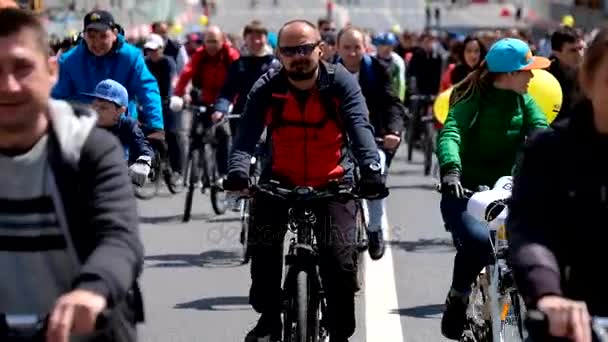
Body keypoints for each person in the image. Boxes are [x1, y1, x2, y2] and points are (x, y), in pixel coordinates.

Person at [223, 19, 387, 342]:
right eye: (289, 50)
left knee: (340, 266)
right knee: (263, 250)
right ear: (279, 55)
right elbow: (245, 135)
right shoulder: (268, 86)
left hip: (333, 183)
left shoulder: (340, 82)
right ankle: (270, 319)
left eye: (305, 48)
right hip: (279, 181)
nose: (298, 56)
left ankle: (340, 333)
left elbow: (359, 127)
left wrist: (370, 169)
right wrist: (238, 171)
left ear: (320, 49)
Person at [0, 8, 144, 342]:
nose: (7, 85)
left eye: (22, 68)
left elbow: (120, 237)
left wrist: (93, 290)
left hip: (81, 329)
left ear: (52, 71)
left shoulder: (90, 148)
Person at [436, 37, 551, 340]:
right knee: (477, 242)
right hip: (465, 194)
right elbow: (450, 133)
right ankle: (458, 296)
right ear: (511, 74)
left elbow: (542, 132)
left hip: (510, 193)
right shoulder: (471, 100)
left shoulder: (524, 101)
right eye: (528, 70)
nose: (532, 76)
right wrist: (451, 170)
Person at [508, 28, 608, 342]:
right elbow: (531, 230)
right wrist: (548, 293)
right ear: (588, 80)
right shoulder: (550, 149)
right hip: (572, 321)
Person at [337, 26, 405, 260]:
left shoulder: (378, 70)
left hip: (373, 137)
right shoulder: (326, 72)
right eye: (347, 48)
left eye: (357, 47)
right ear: (338, 49)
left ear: (365, 48)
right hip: (335, 139)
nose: (352, 53)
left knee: (374, 174)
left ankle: (375, 230)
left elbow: (392, 103)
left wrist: (394, 132)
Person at [51, 10, 164, 132]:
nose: (97, 42)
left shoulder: (131, 57)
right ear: (84, 35)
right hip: (84, 131)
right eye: (92, 36)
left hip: (123, 130)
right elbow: (58, 98)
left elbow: (147, 90)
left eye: (103, 36)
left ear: (114, 34)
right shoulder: (68, 61)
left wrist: (156, 126)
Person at [174, 25, 240, 180]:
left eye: (214, 41)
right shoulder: (200, 54)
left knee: (223, 135)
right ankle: (195, 160)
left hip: (225, 99)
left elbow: (239, 79)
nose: (211, 45)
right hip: (203, 97)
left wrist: (234, 101)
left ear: (222, 41)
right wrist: (177, 94)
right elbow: (186, 73)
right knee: (196, 130)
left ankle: (223, 172)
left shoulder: (230, 55)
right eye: (208, 41)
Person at [212, 20, 280, 140]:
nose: (256, 41)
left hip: (270, 119)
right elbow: (227, 92)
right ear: (245, 39)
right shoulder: (238, 65)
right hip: (242, 116)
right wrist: (220, 110)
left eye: (259, 37)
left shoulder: (275, 65)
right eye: (251, 38)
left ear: (266, 38)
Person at [83, 79, 153, 186]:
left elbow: (142, 145)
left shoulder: (127, 125)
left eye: (103, 108)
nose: (96, 111)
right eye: (95, 105)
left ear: (120, 111)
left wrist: (143, 162)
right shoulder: (85, 122)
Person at [144, 33, 184, 183]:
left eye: (155, 50)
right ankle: (152, 165)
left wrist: (168, 98)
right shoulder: (145, 63)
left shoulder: (168, 63)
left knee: (172, 135)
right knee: (146, 132)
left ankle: (177, 170)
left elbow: (171, 84)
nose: (152, 53)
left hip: (169, 102)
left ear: (161, 49)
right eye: (149, 50)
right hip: (152, 102)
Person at [547, 26, 585, 124]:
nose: (580, 54)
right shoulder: (545, 77)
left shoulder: (591, 73)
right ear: (556, 53)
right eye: (572, 50)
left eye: (581, 48)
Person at [372, 31, 407, 101]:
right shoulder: (371, 59)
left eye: (389, 46)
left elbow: (401, 82)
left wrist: (400, 100)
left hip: (391, 95)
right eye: (382, 46)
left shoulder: (397, 61)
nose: (385, 49)